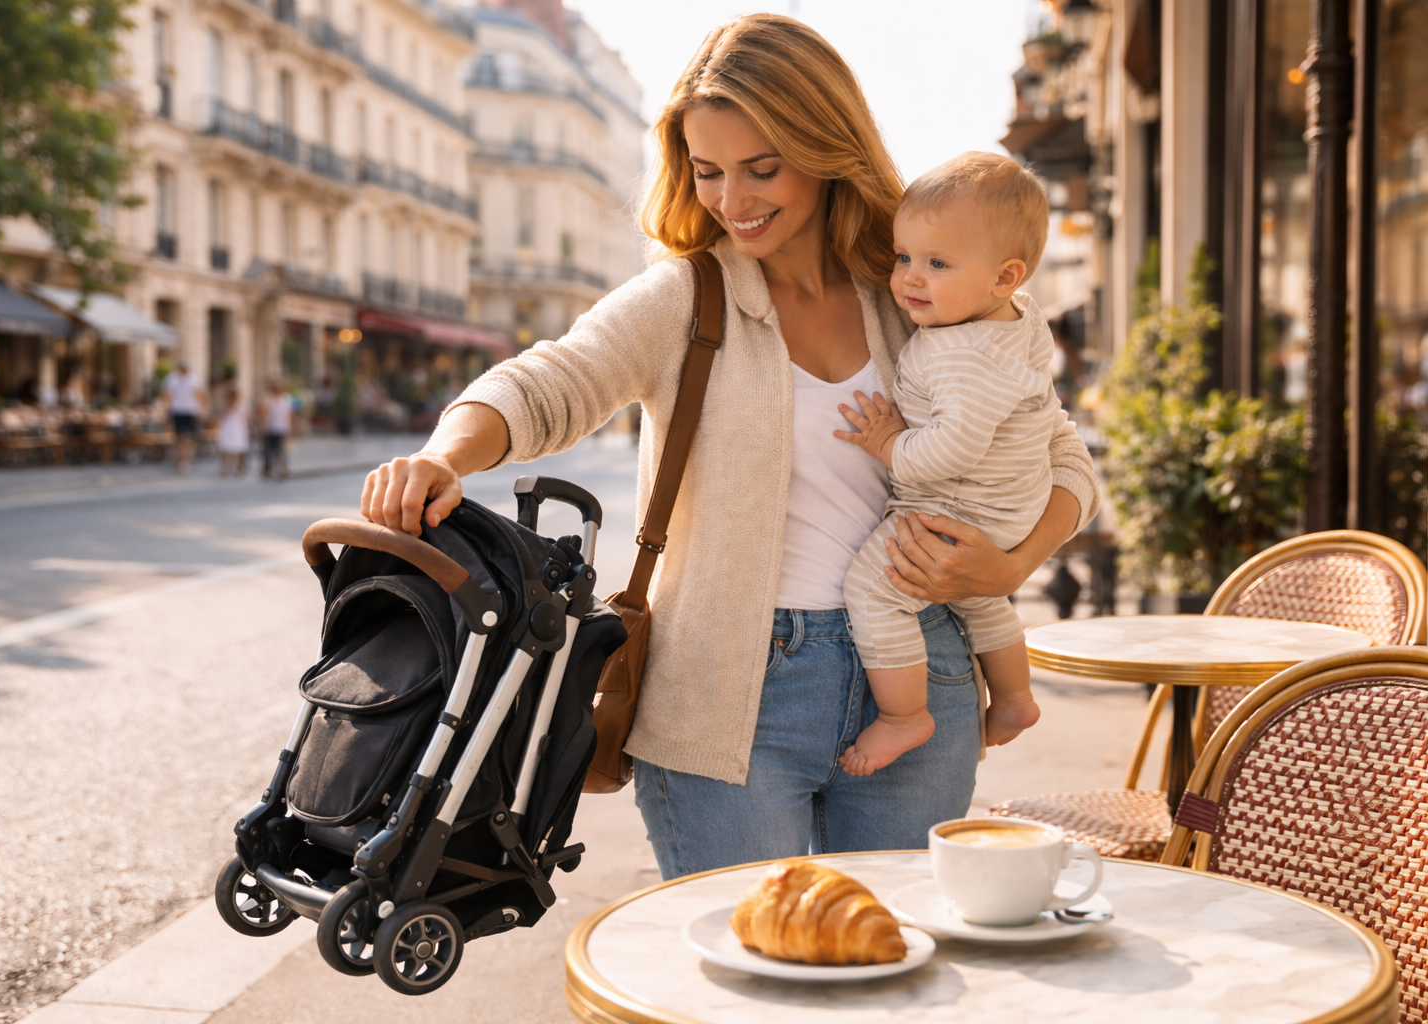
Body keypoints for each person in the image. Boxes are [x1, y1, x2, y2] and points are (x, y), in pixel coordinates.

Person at [358, 15, 1099, 880]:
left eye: (762, 167)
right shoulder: (686, 296)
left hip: (921, 672)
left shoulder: (917, 291)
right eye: (708, 171)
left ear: (827, 147)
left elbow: (1065, 460)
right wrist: (445, 456)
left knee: (901, 979)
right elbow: (550, 380)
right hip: (731, 696)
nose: (731, 199)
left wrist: (1010, 569)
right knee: (749, 986)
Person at [835, 153, 1056, 777]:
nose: (909, 278)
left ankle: (906, 716)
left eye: (937, 264)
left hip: (958, 505)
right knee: (977, 599)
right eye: (904, 256)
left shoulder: (962, 354)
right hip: (1003, 511)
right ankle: (1013, 699)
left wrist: (887, 445)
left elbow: (951, 450)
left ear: (1004, 276)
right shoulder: (1016, 320)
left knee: (875, 590)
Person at [161, 360, 206, 472]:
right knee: (179, 437)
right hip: (177, 411)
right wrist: (166, 408)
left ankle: (186, 458)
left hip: (191, 411)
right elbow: (167, 395)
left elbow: (201, 395)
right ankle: (180, 459)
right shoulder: (172, 379)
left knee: (189, 437)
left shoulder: (194, 380)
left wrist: (201, 409)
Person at [260, 379, 293, 480]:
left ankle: (282, 468)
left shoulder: (286, 399)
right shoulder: (268, 399)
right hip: (270, 427)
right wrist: (263, 425)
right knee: (268, 449)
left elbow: (290, 414)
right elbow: (264, 413)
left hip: (281, 427)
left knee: (281, 449)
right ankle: (268, 468)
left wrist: (290, 427)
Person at [217, 387, 250, 477]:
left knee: (239, 449)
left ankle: (239, 467)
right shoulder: (224, 405)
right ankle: (225, 467)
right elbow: (221, 416)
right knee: (225, 448)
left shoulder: (242, 404)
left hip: (238, 428)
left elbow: (246, 417)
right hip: (228, 428)